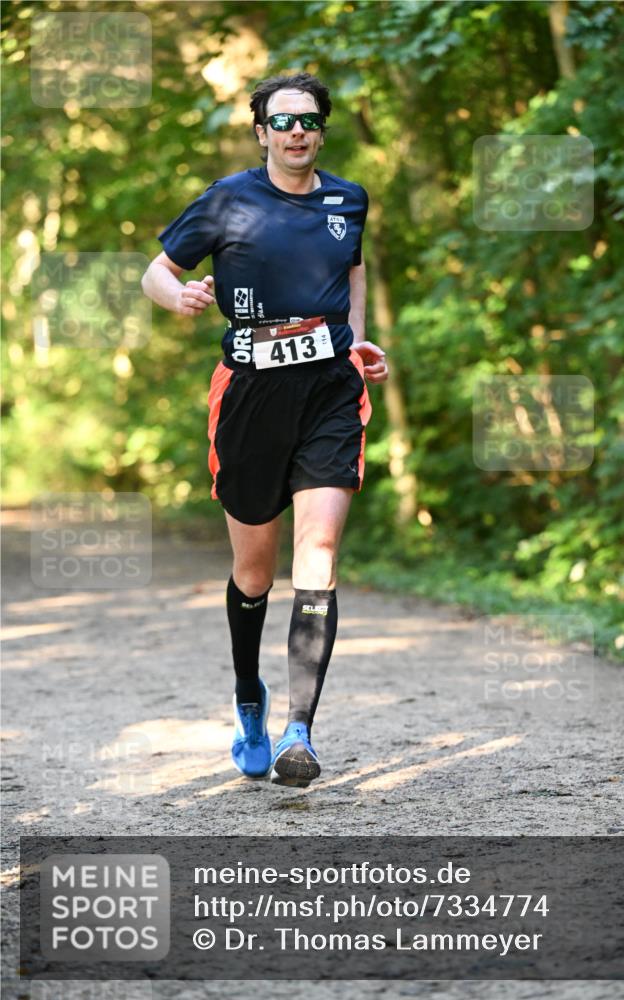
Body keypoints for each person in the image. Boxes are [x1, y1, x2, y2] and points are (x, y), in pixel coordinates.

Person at [141, 72, 388, 788]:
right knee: (253, 573)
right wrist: (178, 295)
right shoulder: (227, 200)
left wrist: (357, 341)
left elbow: (355, 271)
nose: (295, 132)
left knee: (317, 552)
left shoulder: (349, 200)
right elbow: (157, 270)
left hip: (330, 395)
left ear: (321, 128)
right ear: (260, 133)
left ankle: (299, 732)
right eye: (280, 122)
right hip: (249, 395)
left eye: (308, 120)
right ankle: (250, 697)